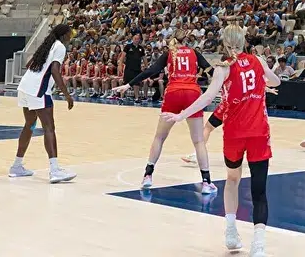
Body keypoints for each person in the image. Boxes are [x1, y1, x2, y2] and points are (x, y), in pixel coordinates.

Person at [164, 25, 281, 257]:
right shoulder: (258, 60)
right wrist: (264, 82)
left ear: (225, 44)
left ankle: (230, 231)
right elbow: (276, 81)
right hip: (259, 132)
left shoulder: (223, 68)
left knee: (232, 179)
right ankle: (258, 244)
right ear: (244, 41)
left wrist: (181, 115)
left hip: (234, 134)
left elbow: (207, 97)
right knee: (259, 190)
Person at [110, 36, 216, 192]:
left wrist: (128, 84)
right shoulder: (194, 52)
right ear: (186, 41)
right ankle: (206, 182)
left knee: (159, 137)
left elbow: (151, 70)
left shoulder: (169, 53)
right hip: (192, 93)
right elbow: (210, 70)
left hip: (173, 92)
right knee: (199, 141)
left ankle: (148, 174)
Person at [10, 23, 76, 183]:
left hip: (25, 87)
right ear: (64, 34)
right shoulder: (60, 47)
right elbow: (54, 70)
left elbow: (29, 64)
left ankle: (16, 166)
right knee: (49, 128)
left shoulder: (48, 45)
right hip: (38, 90)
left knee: (30, 125)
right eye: (70, 34)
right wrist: (67, 94)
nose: (71, 37)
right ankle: (54, 171)